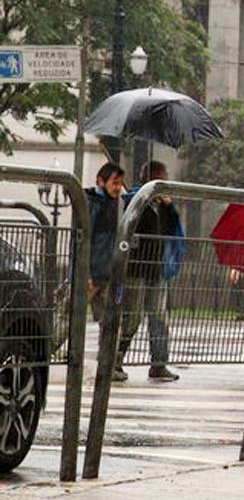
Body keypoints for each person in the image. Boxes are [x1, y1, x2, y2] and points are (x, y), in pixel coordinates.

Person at [116, 161, 183, 382]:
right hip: (136, 267)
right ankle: (116, 358)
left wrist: (169, 205)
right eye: (162, 177)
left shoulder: (162, 204)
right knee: (132, 317)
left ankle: (159, 363)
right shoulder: (135, 200)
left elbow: (173, 224)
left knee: (159, 317)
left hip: (156, 267)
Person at [87, 162, 126, 380]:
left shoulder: (114, 204)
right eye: (114, 182)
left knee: (110, 322)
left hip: (109, 273)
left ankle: (107, 367)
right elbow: (84, 239)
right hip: (92, 273)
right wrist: (86, 273)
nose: (118, 187)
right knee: (67, 319)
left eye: (120, 183)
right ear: (100, 181)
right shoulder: (94, 204)